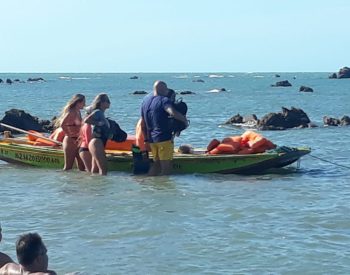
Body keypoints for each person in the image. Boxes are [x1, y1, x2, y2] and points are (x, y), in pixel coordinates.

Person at [141, 81, 188, 176]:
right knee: (166, 168)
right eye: (166, 89)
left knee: (156, 164)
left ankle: (149, 185)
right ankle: (164, 189)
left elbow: (143, 123)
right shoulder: (164, 100)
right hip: (164, 138)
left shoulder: (145, 102)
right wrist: (184, 120)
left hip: (152, 139)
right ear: (163, 89)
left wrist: (146, 139)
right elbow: (172, 112)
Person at [55, 94, 86, 171]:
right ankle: (65, 182)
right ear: (78, 102)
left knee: (82, 166)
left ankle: (78, 181)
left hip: (78, 140)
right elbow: (62, 124)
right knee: (68, 167)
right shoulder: (72, 112)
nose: (85, 104)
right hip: (71, 141)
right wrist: (69, 134)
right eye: (83, 102)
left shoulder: (78, 111)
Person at [83, 93, 111, 175]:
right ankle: (102, 187)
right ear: (101, 103)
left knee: (95, 170)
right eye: (108, 101)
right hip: (97, 142)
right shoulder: (98, 112)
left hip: (98, 142)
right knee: (103, 170)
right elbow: (86, 120)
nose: (110, 103)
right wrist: (98, 123)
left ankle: (94, 187)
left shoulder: (101, 113)